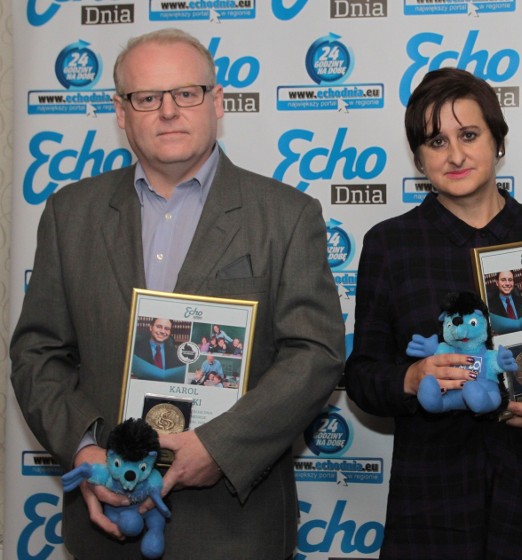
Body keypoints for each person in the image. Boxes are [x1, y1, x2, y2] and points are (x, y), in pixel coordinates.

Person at [10, 28, 344, 559]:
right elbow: (37, 353)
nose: (168, 111)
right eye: (147, 98)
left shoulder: (285, 215)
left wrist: (218, 447)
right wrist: (88, 450)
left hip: (235, 527)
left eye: (186, 93)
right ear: (122, 112)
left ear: (217, 103)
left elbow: (317, 353)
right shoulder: (69, 214)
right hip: (106, 524)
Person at [344, 67, 522, 559]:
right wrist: (411, 378)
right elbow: (363, 375)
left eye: (469, 135)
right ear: (418, 156)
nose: (455, 155)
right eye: (436, 141)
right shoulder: (390, 244)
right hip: (431, 504)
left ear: (497, 140)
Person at [131, 317, 184, 382]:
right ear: (151, 328)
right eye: (159, 326)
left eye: (167, 329)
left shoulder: (176, 354)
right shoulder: (135, 349)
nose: (162, 331)